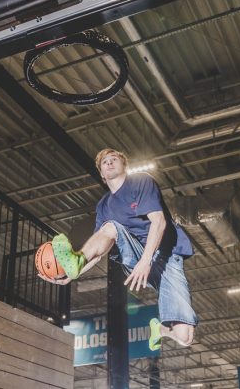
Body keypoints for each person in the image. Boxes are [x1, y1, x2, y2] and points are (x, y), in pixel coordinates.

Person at [37, 148, 197, 349]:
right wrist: (72, 275)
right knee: (110, 227)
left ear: (124, 166)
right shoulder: (104, 205)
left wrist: (145, 262)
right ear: (102, 175)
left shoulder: (141, 182)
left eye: (114, 159)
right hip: (136, 254)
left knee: (186, 337)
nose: (110, 163)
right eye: (105, 162)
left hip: (166, 257)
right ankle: (75, 260)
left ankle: (162, 329)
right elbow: (100, 248)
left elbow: (159, 222)